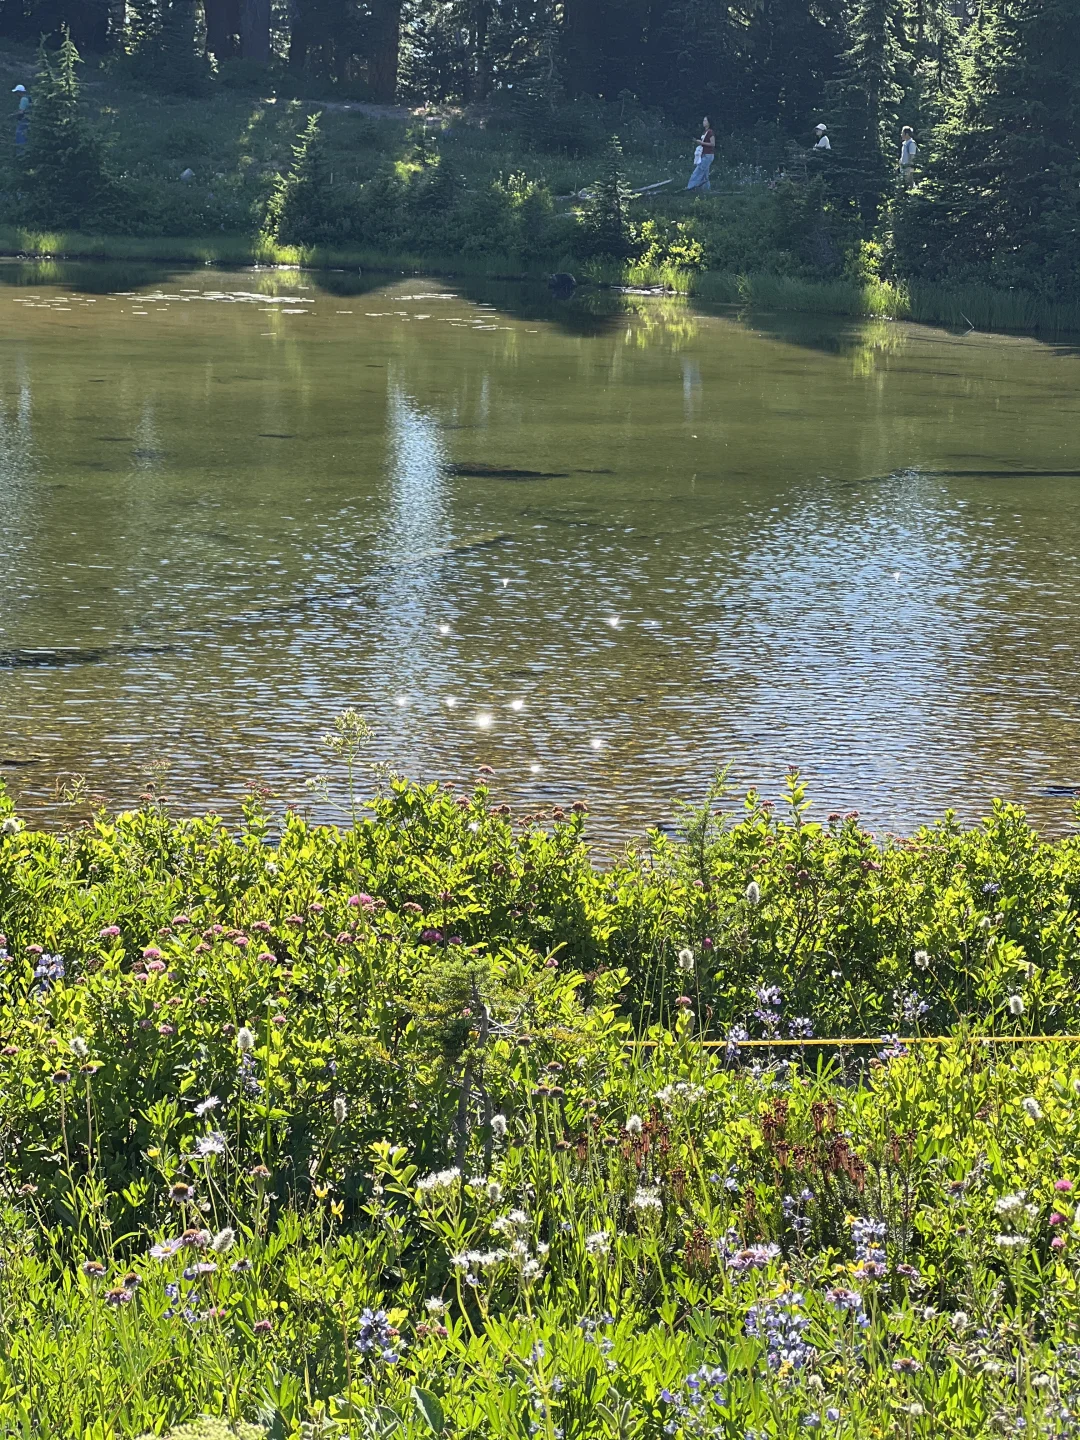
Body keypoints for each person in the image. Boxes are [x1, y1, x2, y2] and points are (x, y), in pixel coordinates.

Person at [686, 116, 715, 192]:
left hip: (708, 155)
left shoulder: (710, 132)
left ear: (709, 122)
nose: (703, 122)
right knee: (705, 173)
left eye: (705, 121)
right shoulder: (705, 132)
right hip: (704, 154)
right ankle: (706, 190)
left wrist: (701, 143)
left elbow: (712, 144)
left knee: (698, 171)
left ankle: (690, 188)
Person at [12, 84, 29, 153]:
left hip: (24, 121)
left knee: (20, 135)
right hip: (28, 120)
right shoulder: (27, 98)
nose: (16, 94)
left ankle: (20, 153)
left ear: (19, 92)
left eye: (17, 92)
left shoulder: (23, 99)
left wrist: (13, 115)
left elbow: (21, 112)